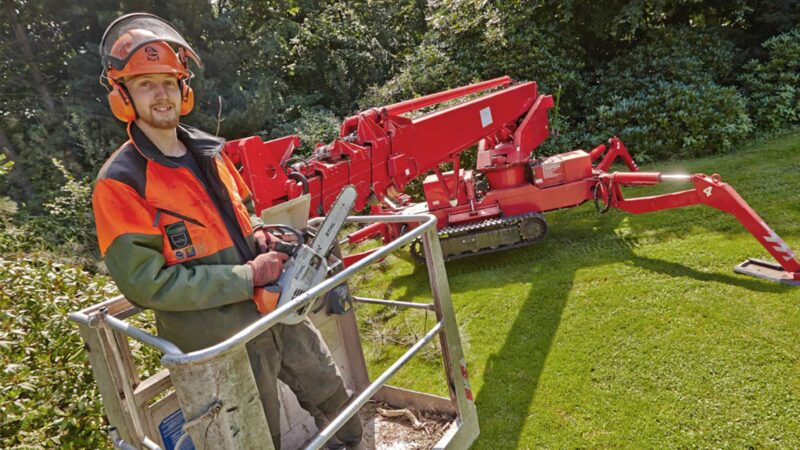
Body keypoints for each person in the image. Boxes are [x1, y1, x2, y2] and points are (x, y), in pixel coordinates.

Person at [92, 13, 363, 449]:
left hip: (276, 310)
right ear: (123, 96)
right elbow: (148, 285)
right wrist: (246, 277)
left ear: (184, 89)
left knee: (330, 390)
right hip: (220, 342)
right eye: (146, 85)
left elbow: (247, 210)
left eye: (168, 82)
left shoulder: (208, 151)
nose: (161, 95)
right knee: (256, 436)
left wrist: (260, 235)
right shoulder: (120, 183)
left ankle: (355, 444)